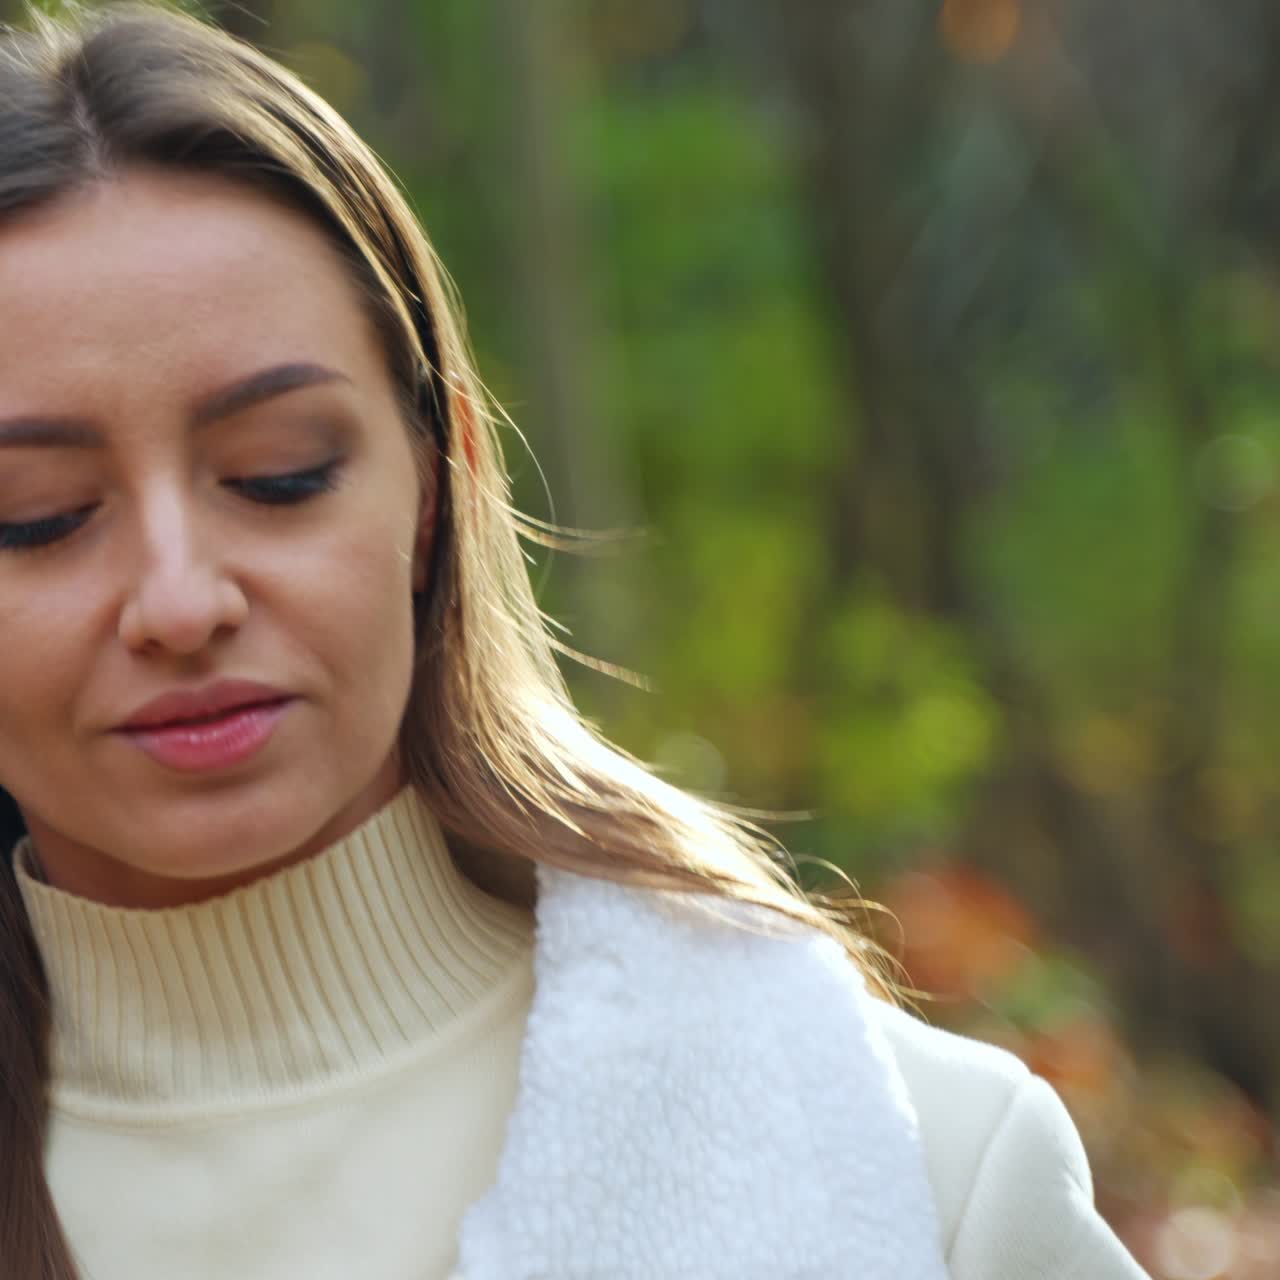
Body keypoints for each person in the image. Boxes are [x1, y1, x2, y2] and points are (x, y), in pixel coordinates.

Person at [0, 4, 1149, 1278]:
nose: (178, 597)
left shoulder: (923, 1166)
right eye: (36, 518)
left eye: (278, 475)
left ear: (437, 489)